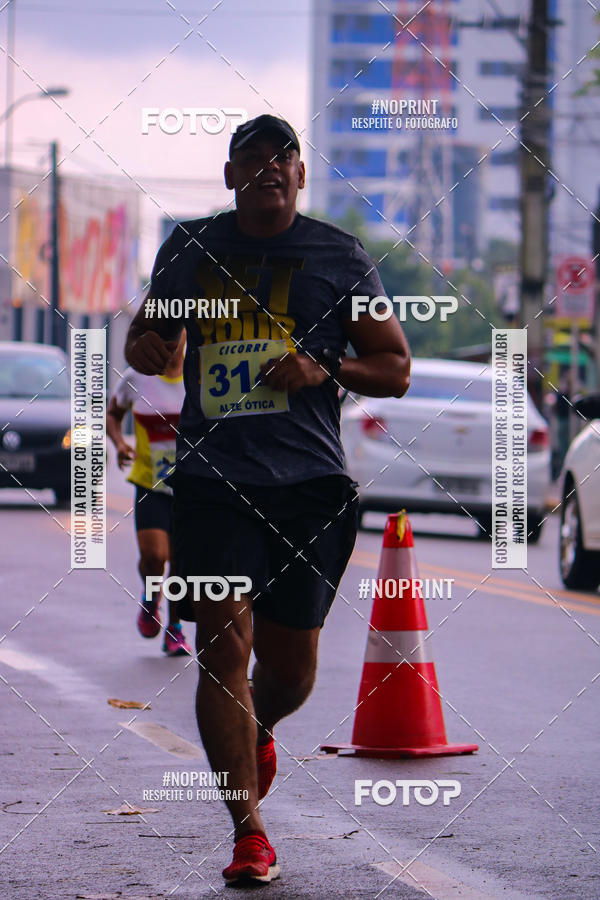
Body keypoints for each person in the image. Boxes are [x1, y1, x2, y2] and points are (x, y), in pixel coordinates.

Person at [125, 114, 410, 884]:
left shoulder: (337, 256)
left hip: (310, 488)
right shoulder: (192, 248)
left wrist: (327, 368)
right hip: (213, 483)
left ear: (300, 176)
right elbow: (146, 339)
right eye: (252, 161)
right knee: (222, 652)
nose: (268, 171)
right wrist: (149, 346)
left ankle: (260, 728)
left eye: (282, 160)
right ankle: (248, 833)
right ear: (231, 177)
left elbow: (394, 367)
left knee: (288, 673)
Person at [106, 332, 192, 657]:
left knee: (182, 564)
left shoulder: (200, 376)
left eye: (177, 335)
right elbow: (114, 415)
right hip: (150, 483)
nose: (172, 344)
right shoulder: (136, 377)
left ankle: (175, 628)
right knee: (155, 557)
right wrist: (120, 443)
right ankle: (150, 597)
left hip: (191, 486)